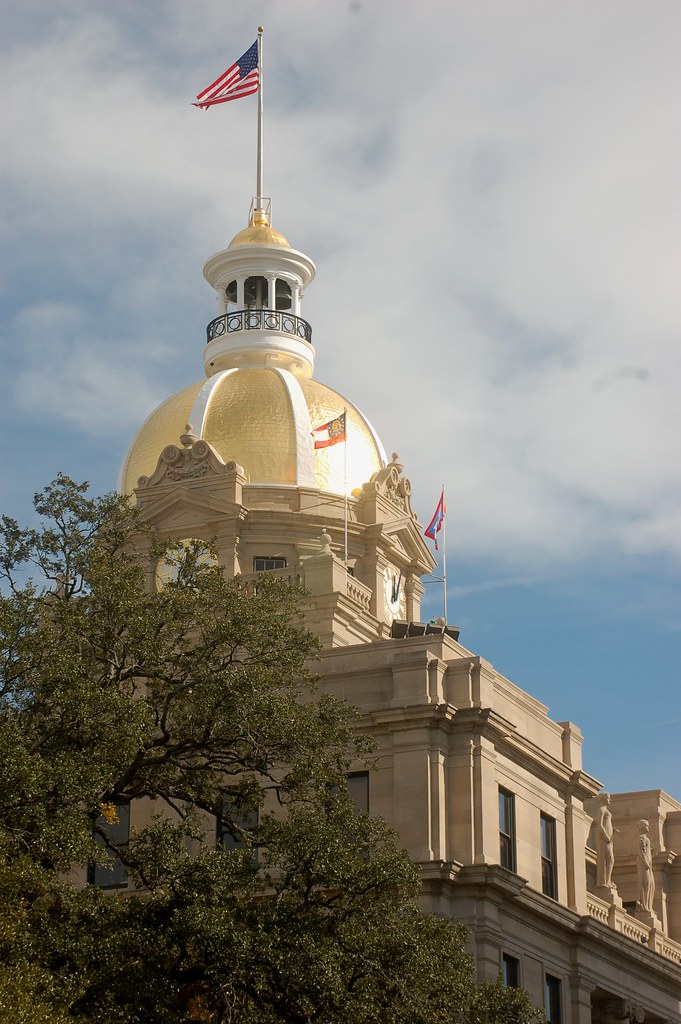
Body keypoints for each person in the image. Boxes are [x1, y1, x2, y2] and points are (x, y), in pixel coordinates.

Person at [595, 793, 615, 888]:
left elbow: (607, 824)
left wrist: (613, 830)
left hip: (609, 840)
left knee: (610, 860)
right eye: (608, 798)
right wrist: (606, 836)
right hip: (604, 839)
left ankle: (608, 881)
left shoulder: (606, 810)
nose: (609, 800)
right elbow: (600, 825)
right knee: (607, 859)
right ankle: (604, 882)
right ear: (604, 798)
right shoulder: (601, 810)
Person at [637, 819, 655, 913]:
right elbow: (640, 851)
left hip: (648, 865)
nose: (648, 827)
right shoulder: (642, 838)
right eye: (647, 825)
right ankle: (644, 905)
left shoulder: (647, 839)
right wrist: (645, 862)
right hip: (645, 864)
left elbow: (647, 852)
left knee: (651, 885)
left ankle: (648, 905)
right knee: (645, 883)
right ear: (642, 827)